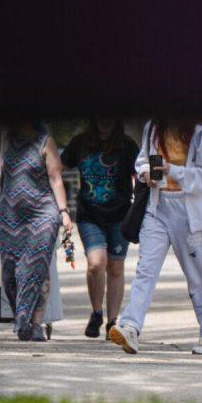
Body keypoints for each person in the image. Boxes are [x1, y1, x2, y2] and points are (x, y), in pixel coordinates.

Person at [109, 116, 202, 355]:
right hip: (156, 207)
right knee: (145, 270)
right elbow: (141, 161)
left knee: (198, 275)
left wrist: (173, 170)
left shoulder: (199, 133)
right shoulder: (152, 126)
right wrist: (145, 173)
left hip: (188, 212)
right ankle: (130, 327)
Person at [61, 118, 139, 337]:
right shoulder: (80, 143)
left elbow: (143, 173)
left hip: (120, 215)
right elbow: (57, 168)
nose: (105, 121)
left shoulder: (127, 145)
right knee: (96, 263)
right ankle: (96, 312)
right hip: (89, 215)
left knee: (115, 267)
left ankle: (112, 322)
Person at [0, 122, 72, 341]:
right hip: (10, 215)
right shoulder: (5, 139)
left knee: (38, 265)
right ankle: (22, 317)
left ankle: (35, 324)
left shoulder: (45, 140)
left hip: (42, 212)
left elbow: (55, 178)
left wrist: (64, 212)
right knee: (10, 272)